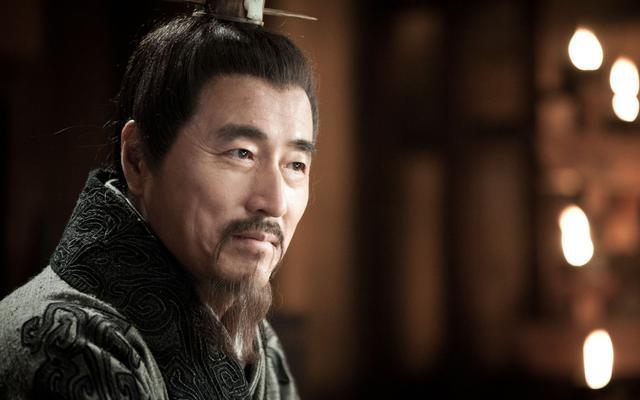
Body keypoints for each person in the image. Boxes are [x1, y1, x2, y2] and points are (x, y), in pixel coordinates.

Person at [0, 3, 317, 399]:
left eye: (295, 164)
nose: (274, 201)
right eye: (241, 153)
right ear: (138, 159)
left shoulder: (253, 341)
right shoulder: (67, 344)